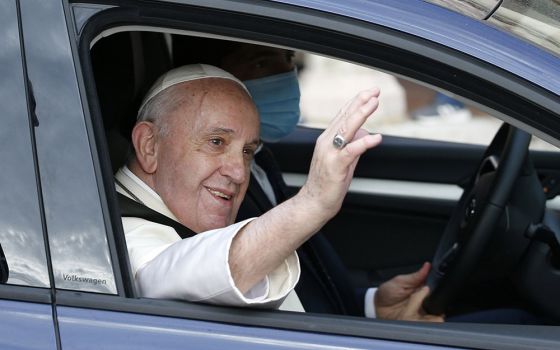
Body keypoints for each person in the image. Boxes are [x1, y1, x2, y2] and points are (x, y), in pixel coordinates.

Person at [115, 62, 440, 321]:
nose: (240, 172)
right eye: (216, 142)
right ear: (149, 145)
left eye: (247, 151)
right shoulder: (119, 236)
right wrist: (313, 203)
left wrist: (372, 310)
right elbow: (178, 276)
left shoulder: (183, 201)